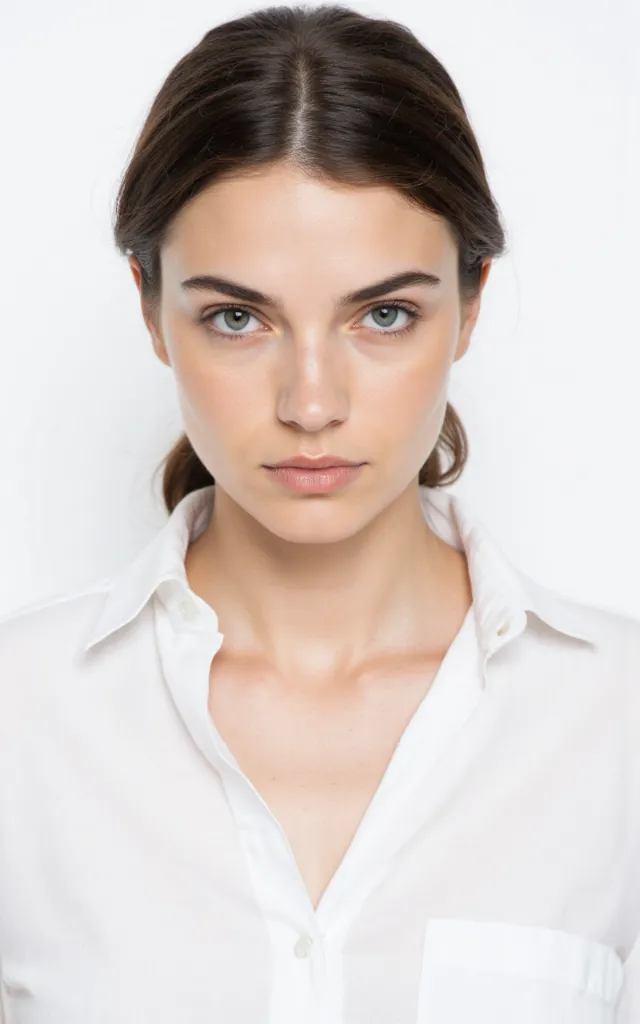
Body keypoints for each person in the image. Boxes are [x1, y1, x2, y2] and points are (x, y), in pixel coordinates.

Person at [0, 4, 638, 1022]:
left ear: (470, 303)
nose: (309, 403)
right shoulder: (18, 725)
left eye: (383, 314)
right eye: (236, 318)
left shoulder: (615, 726)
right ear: (148, 307)